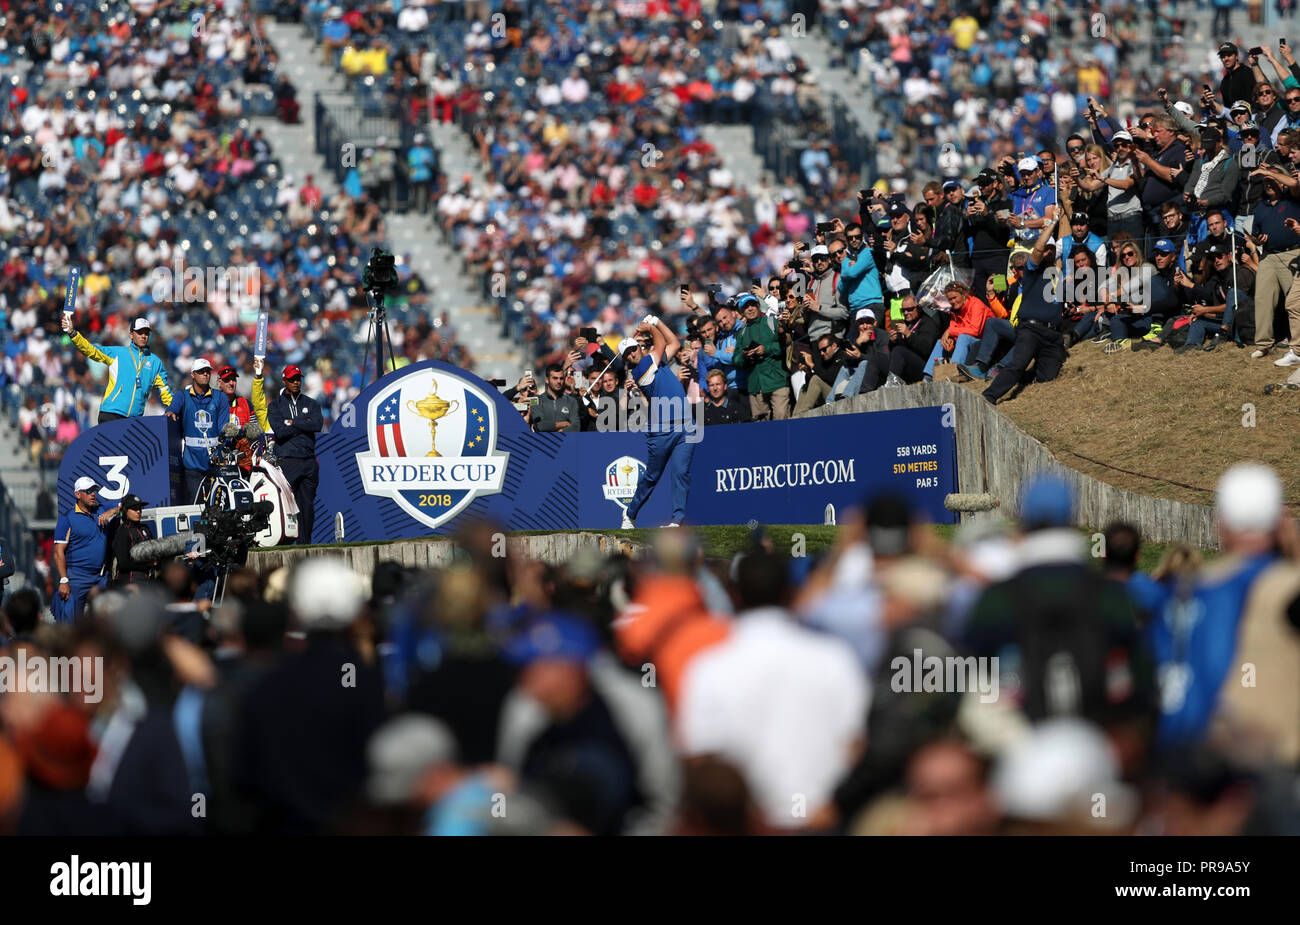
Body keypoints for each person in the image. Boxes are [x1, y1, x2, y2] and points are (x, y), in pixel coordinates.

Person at [620, 318, 694, 529]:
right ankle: (630, 512)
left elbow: (675, 344)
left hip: (686, 425)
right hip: (662, 430)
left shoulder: (656, 361)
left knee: (681, 473)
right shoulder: (641, 369)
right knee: (652, 476)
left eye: (633, 349)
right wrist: (650, 327)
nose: (632, 354)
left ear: (639, 347)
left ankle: (677, 521)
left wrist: (657, 321)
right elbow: (661, 344)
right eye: (627, 354)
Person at [983, 223, 1067, 404]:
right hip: (1030, 329)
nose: (1048, 252)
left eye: (1051, 249)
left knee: (1047, 377)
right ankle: (989, 396)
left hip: (1052, 334)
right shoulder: (1031, 271)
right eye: (1046, 249)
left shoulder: (1058, 275)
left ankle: (1020, 377)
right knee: (1017, 364)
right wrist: (1052, 223)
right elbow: (1037, 249)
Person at [62, 315, 174, 424]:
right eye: (140, 332)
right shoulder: (118, 353)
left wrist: (175, 409)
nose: (143, 336)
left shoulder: (155, 362)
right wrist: (73, 333)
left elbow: (165, 391)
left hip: (134, 419)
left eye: (146, 333)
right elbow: (91, 350)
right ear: (131, 334)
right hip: (111, 413)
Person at [262, 364, 322, 545]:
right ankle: (287, 544)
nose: (296, 382)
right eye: (291, 379)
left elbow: (317, 424)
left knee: (308, 506)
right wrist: (303, 422)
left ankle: (305, 544)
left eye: (298, 379)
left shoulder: (311, 403)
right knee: (288, 506)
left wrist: (292, 422)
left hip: (308, 460)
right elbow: (280, 431)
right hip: (288, 461)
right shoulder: (275, 406)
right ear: (284, 381)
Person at [52, 477, 119, 623]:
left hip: (100, 576)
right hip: (77, 576)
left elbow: (125, 505)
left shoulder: (101, 509)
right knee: (70, 623)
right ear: (77, 495)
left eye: (94, 490)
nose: (93, 494)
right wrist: (64, 580)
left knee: (108, 621)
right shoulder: (67, 519)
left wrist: (112, 511)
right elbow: (58, 553)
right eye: (88, 491)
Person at [167, 358, 231, 504]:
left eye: (207, 371)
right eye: (201, 372)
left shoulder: (220, 397)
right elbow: (172, 409)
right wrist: (170, 412)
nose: (205, 374)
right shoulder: (182, 395)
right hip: (192, 463)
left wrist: (222, 449)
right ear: (193, 374)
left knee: (216, 506)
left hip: (215, 463)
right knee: (195, 506)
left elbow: (223, 428)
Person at [733, 292, 790, 420]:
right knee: (761, 430)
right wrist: (744, 355)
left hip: (777, 382)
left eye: (753, 305)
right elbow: (736, 359)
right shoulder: (741, 333)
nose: (750, 308)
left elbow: (785, 344)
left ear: (758, 306)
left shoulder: (772, 322)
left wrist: (766, 349)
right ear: (741, 311)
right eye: (746, 307)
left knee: (783, 424)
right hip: (755, 386)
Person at [111, 493, 158, 586]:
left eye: (140, 508)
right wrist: (146, 564)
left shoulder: (145, 528)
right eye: (134, 509)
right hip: (131, 582)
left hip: (148, 579)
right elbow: (123, 563)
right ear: (125, 510)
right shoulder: (123, 531)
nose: (138, 511)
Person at [531, 363, 582, 433]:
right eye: (555, 378)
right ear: (547, 380)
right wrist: (565, 424)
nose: (558, 381)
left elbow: (576, 427)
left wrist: (559, 430)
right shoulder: (535, 400)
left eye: (561, 378)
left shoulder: (571, 401)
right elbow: (540, 425)